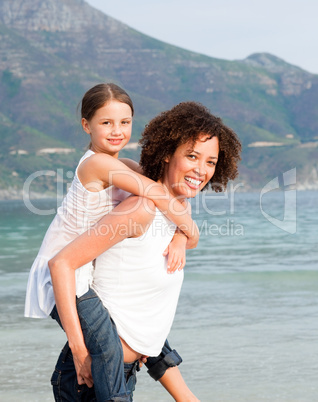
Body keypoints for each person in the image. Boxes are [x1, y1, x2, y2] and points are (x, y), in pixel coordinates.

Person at [49, 101, 242, 401]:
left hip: (124, 375)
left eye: (210, 162)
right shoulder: (140, 209)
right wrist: (77, 347)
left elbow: (146, 325)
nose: (201, 170)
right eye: (192, 156)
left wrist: (182, 235)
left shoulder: (176, 212)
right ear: (166, 153)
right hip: (88, 378)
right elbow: (63, 263)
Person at [24, 84, 200, 399]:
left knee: (139, 331)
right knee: (105, 348)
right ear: (86, 125)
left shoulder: (122, 165)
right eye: (106, 123)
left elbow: (168, 192)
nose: (117, 131)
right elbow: (159, 193)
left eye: (125, 122)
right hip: (64, 273)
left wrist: (177, 235)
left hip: (83, 269)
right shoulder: (96, 164)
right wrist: (80, 352)